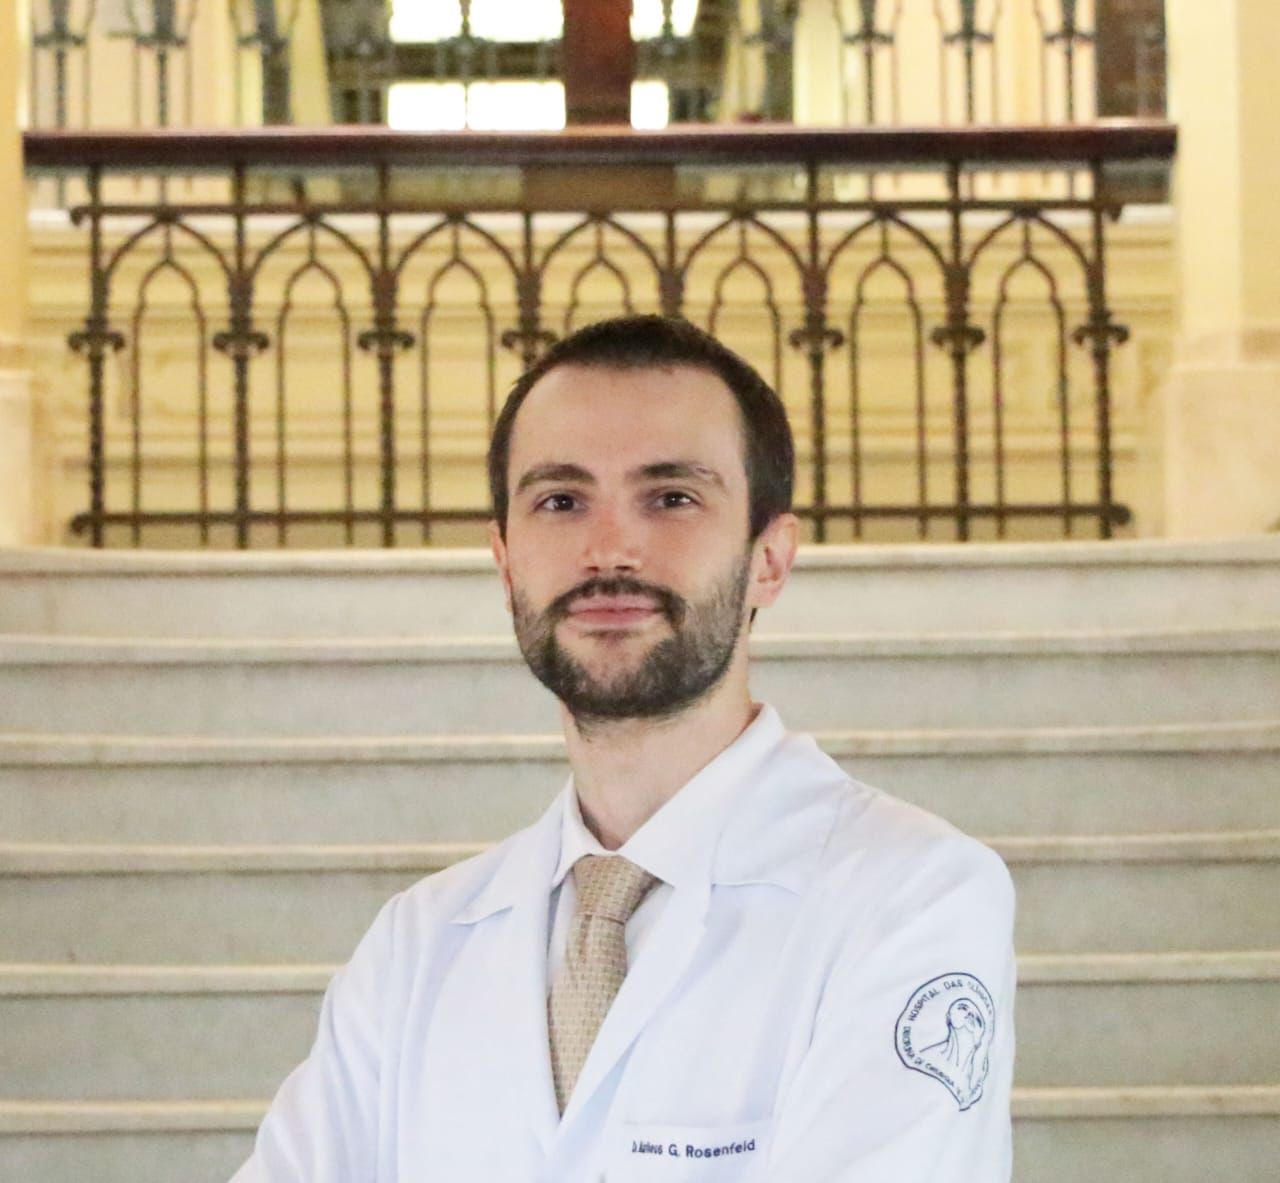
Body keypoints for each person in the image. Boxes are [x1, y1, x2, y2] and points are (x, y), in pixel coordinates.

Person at [231, 314, 1015, 1182]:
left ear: (769, 558)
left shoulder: (913, 898)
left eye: (671, 497)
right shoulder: (415, 946)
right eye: (560, 501)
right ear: (505, 563)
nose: (609, 549)